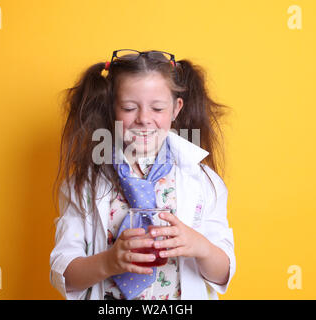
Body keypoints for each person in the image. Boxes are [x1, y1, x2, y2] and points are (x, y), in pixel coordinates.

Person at [50, 49, 236, 300]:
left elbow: (222, 273)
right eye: (129, 108)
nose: (144, 119)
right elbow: (65, 273)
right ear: (111, 109)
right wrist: (108, 262)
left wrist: (201, 247)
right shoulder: (83, 184)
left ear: (175, 109)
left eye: (157, 108)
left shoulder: (204, 181)